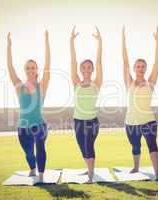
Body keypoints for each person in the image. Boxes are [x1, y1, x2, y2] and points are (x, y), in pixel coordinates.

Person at [6, 31, 50, 182]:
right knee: (28, 153)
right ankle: (32, 168)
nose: (31, 70)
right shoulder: (19, 86)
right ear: (25, 70)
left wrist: (46, 41)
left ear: (37, 70)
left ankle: (42, 175)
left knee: (40, 146)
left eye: (33, 68)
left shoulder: (42, 86)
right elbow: (10, 67)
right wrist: (9, 46)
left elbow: (48, 65)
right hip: (23, 126)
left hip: (39, 124)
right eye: (28, 68)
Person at [122, 26, 158, 180]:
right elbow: (124, 61)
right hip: (131, 122)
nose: (140, 68)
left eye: (143, 66)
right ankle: (136, 167)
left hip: (148, 120)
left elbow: (157, 62)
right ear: (134, 68)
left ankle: (157, 174)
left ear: (145, 69)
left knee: (152, 145)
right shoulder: (129, 82)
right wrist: (123, 40)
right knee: (135, 146)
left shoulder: (150, 82)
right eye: (137, 66)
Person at [70, 26, 103, 183]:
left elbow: (99, 61)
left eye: (89, 67)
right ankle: (89, 169)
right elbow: (73, 61)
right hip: (77, 120)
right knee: (82, 148)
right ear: (80, 69)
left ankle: (91, 175)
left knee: (88, 145)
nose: (86, 69)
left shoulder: (96, 83)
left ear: (92, 69)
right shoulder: (76, 82)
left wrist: (100, 42)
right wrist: (71, 42)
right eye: (84, 67)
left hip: (91, 121)